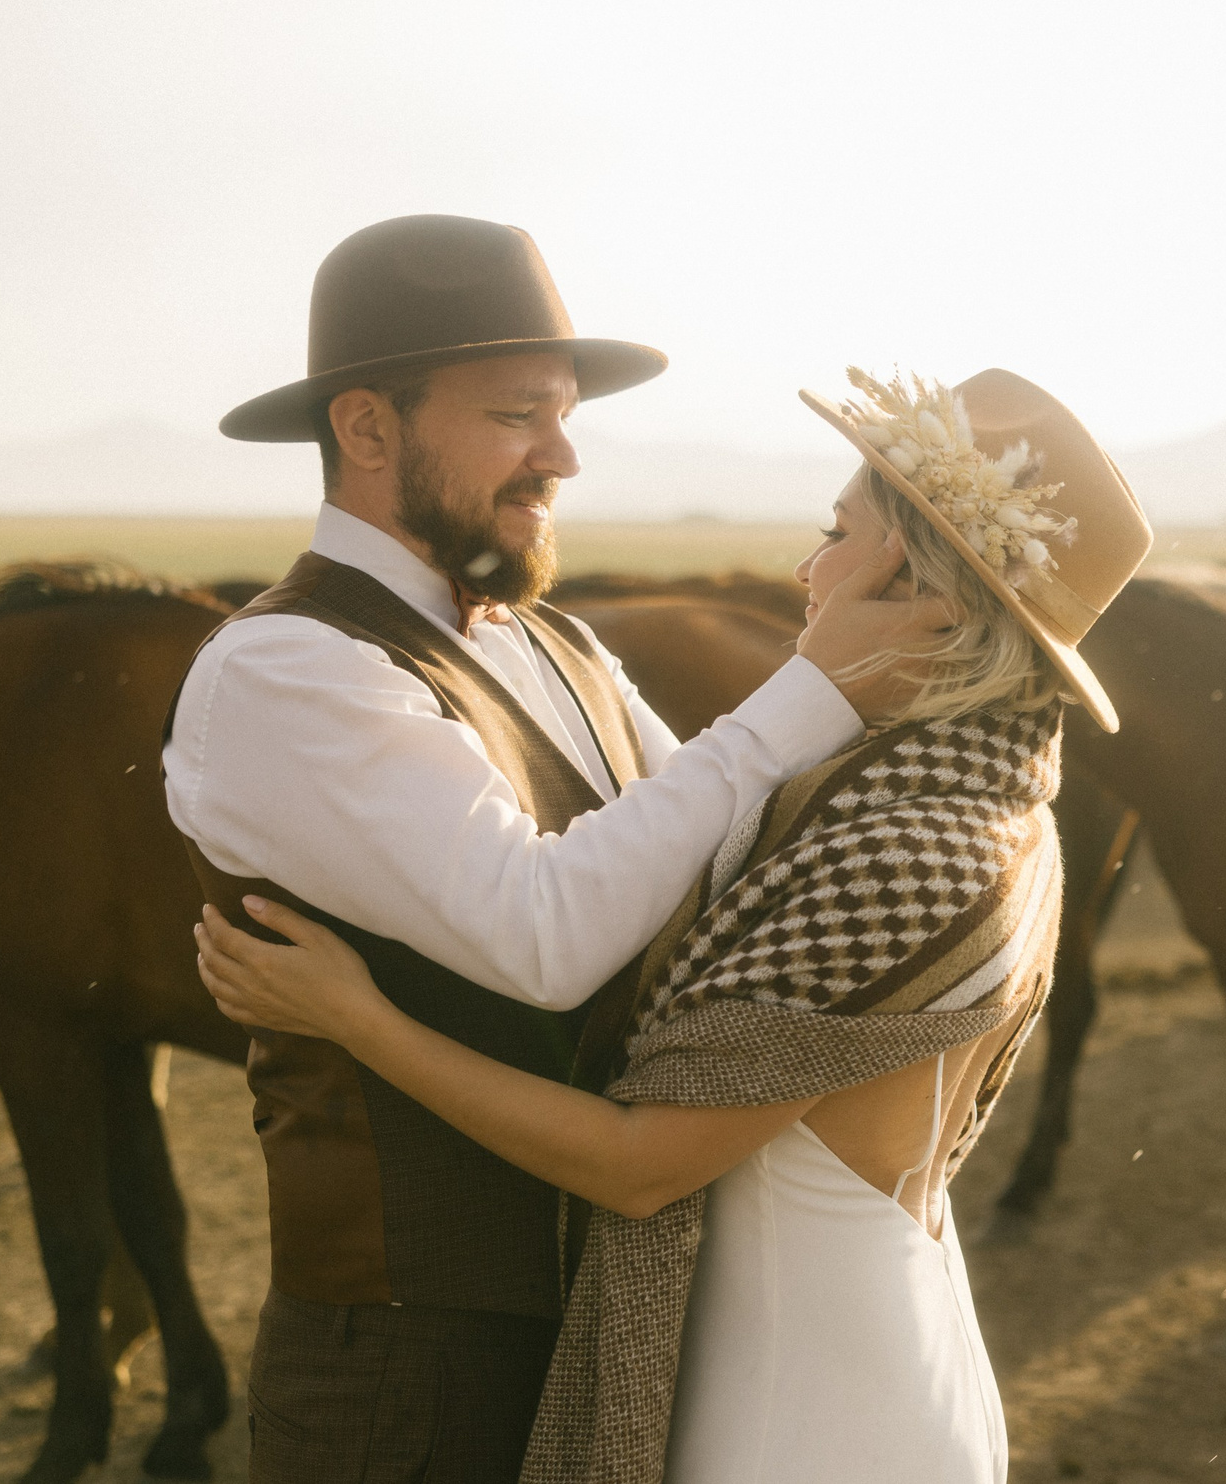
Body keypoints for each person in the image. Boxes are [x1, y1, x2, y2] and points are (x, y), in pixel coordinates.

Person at [197, 365, 1152, 1484]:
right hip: (809, 1358)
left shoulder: (908, 845)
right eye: (517, 414)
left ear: (913, 585)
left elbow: (634, 1147)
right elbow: (680, 845)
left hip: (808, 1395)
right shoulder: (949, 803)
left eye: (835, 533)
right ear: (364, 428)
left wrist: (359, 1020)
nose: (805, 567)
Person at [164, 216, 953, 1483]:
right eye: (521, 413)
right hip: (406, 1358)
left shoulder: (557, 644)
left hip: (610, 1305)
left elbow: (716, 859)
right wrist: (809, 689)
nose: (564, 456)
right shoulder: (282, 668)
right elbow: (543, 939)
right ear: (367, 429)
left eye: (566, 413)